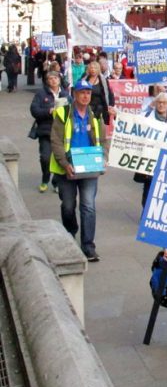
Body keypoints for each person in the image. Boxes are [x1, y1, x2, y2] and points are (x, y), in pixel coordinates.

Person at [49, 80, 108, 262]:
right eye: (82, 92)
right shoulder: (63, 113)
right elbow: (56, 141)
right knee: (68, 207)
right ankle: (70, 233)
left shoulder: (96, 116)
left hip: (89, 169)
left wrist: (103, 157)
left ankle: (88, 246)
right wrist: (65, 163)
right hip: (66, 169)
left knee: (88, 207)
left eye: (88, 93)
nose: (85, 96)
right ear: (74, 94)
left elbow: (103, 140)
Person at [31, 70, 69, 193]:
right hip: (46, 131)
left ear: (59, 79)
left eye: (55, 78)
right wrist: (48, 111)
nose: (53, 80)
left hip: (61, 133)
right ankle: (45, 179)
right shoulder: (41, 94)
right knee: (45, 158)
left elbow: (72, 108)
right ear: (47, 81)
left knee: (60, 158)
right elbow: (34, 110)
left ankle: (56, 182)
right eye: (50, 79)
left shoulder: (65, 94)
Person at [81, 61, 115, 125]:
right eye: (91, 68)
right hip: (87, 107)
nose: (93, 70)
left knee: (100, 129)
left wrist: (111, 105)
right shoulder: (84, 79)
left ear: (98, 69)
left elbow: (109, 93)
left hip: (100, 108)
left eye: (95, 68)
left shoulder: (103, 80)